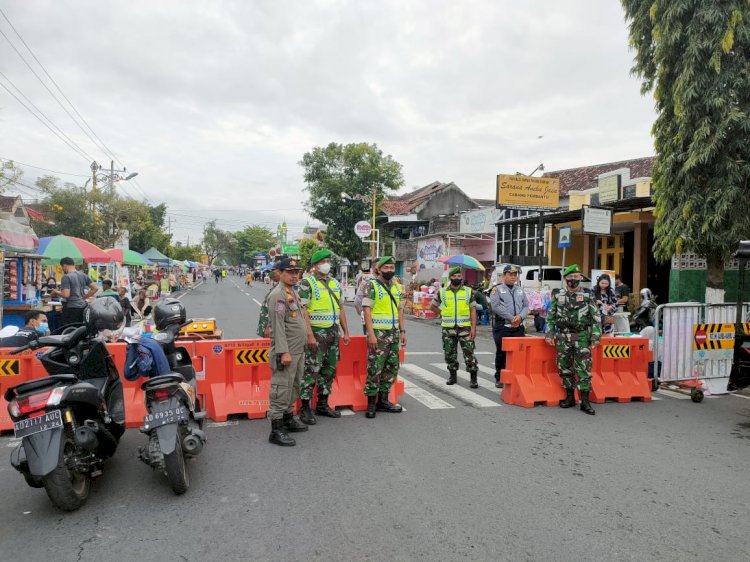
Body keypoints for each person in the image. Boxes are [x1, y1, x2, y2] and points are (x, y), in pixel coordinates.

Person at [297, 249, 351, 424]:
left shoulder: (335, 283)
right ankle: (304, 408)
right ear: (315, 265)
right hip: (316, 334)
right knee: (311, 370)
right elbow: (303, 310)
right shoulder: (307, 283)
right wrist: (310, 335)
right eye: (323, 261)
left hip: (333, 333)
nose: (327, 264)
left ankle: (322, 404)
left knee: (329, 370)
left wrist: (346, 331)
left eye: (328, 260)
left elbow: (341, 308)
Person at [545, 264, 601, 415]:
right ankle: (569, 398)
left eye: (576, 277)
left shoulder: (588, 296)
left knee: (584, 368)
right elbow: (551, 316)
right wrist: (550, 333)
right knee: (564, 367)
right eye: (570, 277)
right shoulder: (558, 295)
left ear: (581, 278)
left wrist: (596, 336)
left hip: (581, 336)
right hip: (563, 336)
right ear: (565, 279)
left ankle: (585, 401)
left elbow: (596, 317)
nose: (573, 280)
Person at [267, 258, 309, 446]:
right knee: (281, 387)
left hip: (298, 349)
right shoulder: (278, 295)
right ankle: (276, 429)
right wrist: (284, 352)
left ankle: (288, 418)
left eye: (296, 272)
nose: (294, 275)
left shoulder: (291, 291)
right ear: (280, 273)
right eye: (290, 272)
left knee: (293, 385)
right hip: (287, 350)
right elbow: (278, 326)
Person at [362, 256, 405, 419]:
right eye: (386, 267)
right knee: (375, 368)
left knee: (391, 367)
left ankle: (383, 401)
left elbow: (400, 310)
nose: (390, 270)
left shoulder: (396, 287)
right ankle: (371, 404)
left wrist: (402, 331)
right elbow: (366, 310)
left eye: (392, 267)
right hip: (378, 334)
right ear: (378, 269)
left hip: (393, 334)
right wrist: (371, 334)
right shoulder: (371, 285)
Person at [429, 267, 479, 387]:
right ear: (450, 278)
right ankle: (452, 376)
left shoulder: (468, 291)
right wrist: (442, 312)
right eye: (454, 276)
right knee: (449, 353)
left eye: (459, 276)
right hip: (448, 328)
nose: (457, 278)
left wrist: (473, 328)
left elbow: (472, 310)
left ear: (461, 277)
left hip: (465, 328)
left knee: (469, 353)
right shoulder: (442, 292)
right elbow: (432, 306)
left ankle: (473, 378)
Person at [489, 264, 529, 388]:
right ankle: (499, 377)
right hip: (503, 326)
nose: (513, 277)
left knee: (518, 353)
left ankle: (516, 376)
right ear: (504, 276)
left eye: (515, 275)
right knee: (501, 353)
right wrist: (511, 318)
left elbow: (526, 306)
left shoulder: (519, 289)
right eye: (510, 275)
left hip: (518, 327)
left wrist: (520, 317)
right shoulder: (497, 289)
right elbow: (495, 306)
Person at [50, 257, 98, 326]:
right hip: (83, 307)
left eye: (62, 267)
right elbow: (95, 288)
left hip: (71, 308)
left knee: (70, 330)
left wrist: (55, 292)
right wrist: (84, 297)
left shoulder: (66, 277)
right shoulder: (83, 275)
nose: (63, 269)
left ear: (64, 265)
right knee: (80, 329)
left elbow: (66, 295)